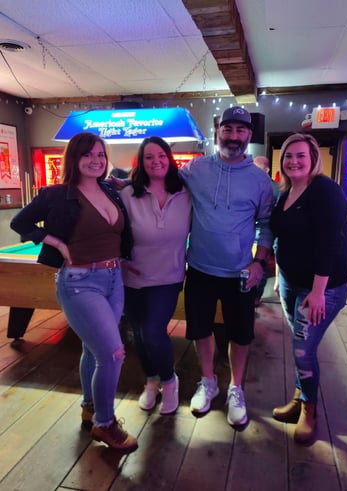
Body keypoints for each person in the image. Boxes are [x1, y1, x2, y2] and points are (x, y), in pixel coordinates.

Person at [10, 132, 138, 452]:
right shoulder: (57, 194)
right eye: (87, 155)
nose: (95, 160)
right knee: (112, 353)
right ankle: (105, 425)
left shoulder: (110, 190)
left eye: (99, 154)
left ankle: (90, 408)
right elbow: (20, 221)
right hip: (79, 282)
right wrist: (53, 241)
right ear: (74, 159)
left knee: (92, 351)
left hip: (113, 280)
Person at [179, 106, 274, 426]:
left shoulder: (260, 181)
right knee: (200, 330)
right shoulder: (195, 169)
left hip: (240, 273)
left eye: (240, 131)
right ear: (218, 131)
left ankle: (235, 388)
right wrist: (121, 183)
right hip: (200, 269)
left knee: (241, 335)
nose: (233, 136)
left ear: (249, 135)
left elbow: (266, 225)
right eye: (228, 129)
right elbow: (160, 184)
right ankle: (208, 382)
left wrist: (259, 261)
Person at [270, 133, 347, 444]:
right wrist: (279, 275)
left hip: (323, 288)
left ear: (313, 157)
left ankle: (309, 411)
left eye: (301, 155)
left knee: (304, 348)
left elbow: (330, 243)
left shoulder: (325, 191)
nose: (294, 161)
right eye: (289, 156)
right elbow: (282, 239)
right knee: (300, 345)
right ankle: (300, 397)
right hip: (291, 281)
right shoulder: (286, 192)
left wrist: (318, 292)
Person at [119, 136, 191, 415]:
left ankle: (170, 381)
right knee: (137, 333)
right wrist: (120, 261)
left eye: (161, 155)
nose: (156, 161)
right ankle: (151, 380)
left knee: (152, 332)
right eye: (149, 157)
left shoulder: (187, 192)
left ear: (169, 159)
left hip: (169, 276)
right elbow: (113, 230)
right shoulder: (127, 194)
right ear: (141, 161)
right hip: (132, 277)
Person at [253, 155, 279, 306]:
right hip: (250, 233)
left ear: (267, 169)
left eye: (258, 168)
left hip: (266, 232)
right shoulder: (249, 185)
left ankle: (256, 297)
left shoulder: (275, 188)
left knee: (260, 264)